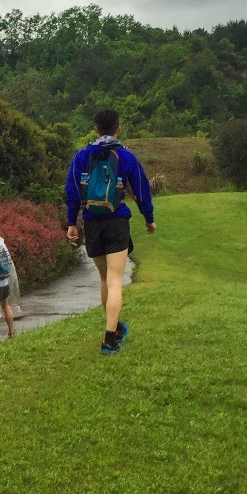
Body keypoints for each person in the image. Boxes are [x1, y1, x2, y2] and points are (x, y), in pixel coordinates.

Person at [64, 109, 155, 355]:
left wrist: (72, 223)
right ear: (118, 128)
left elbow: (72, 192)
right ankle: (109, 339)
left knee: (105, 280)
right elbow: (141, 190)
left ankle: (113, 329)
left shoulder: (82, 156)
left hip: (92, 222)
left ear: (95, 129)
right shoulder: (126, 157)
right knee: (116, 281)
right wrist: (149, 220)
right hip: (116, 222)